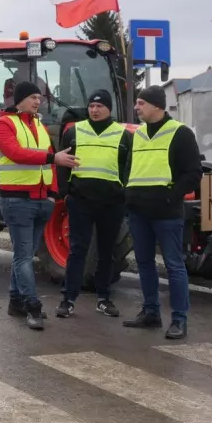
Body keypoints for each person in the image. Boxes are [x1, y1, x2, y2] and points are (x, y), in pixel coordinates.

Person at [0, 81, 79, 330]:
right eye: (32, 97)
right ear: (19, 99)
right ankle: (32, 305)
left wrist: (52, 195)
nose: (37, 101)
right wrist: (54, 157)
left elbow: (50, 163)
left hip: (41, 200)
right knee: (23, 256)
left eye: (39, 98)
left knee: (25, 255)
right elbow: (16, 153)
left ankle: (15, 301)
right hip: (16, 200)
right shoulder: (3, 125)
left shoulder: (39, 126)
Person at [123, 85, 200, 340]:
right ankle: (151, 312)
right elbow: (129, 169)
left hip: (166, 213)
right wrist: (128, 195)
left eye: (141, 103)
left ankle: (179, 319)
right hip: (139, 212)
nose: (137, 108)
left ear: (157, 105)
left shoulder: (180, 133)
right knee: (144, 264)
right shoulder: (138, 134)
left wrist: (171, 196)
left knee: (174, 265)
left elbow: (192, 174)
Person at [54, 90, 131, 319]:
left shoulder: (123, 135)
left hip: (111, 204)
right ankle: (68, 300)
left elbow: (128, 167)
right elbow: (62, 163)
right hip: (81, 202)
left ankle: (104, 299)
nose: (95, 110)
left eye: (99, 106)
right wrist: (65, 193)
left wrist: (123, 194)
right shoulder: (75, 132)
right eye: (91, 106)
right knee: (78, 251)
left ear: (109, 109)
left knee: (107, 253)